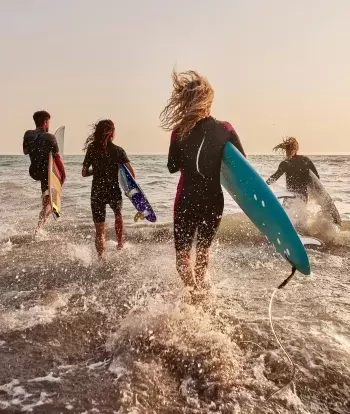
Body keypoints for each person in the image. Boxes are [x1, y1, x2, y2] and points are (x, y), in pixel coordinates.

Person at [160, 70, 246, 294]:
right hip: (213, 200)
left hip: (186, 199)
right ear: (209, 99)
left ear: (185, 101)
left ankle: (193, 293)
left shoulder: (178, 131)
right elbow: (242, 164)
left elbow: (171, 166)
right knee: (203, 252)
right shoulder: (225, 129)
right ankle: (203, 296)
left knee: (182, 257)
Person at [82, 119, 135, 259]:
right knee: (118, 215)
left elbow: (84, 173)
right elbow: (132, 174)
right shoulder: (118, 151)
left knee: (99, 230)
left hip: (97, 192)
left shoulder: (92, 149)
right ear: (112, 133)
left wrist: (97, 170)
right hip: (113, 190)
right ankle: (120, 245)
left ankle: (101, 258)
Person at [23, 110, 66, 234]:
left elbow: (25, 151)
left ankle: (44, 208)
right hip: (46, 172)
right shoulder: (50, 137)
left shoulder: (28, 134)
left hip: (34, 171)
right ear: (46, 122)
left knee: (46, 195)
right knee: (48, 205)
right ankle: (39, 228)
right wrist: (62, 175)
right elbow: (57, 158)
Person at [266, 137, 319, 202]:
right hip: (299, 196)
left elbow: (274, 178)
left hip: (294, 195)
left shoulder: (287, 163)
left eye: (291, 149)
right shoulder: (304, 160)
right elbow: (317, 178)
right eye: (289, 149)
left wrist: (262, 185)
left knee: (288, 209)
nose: (289, 151)